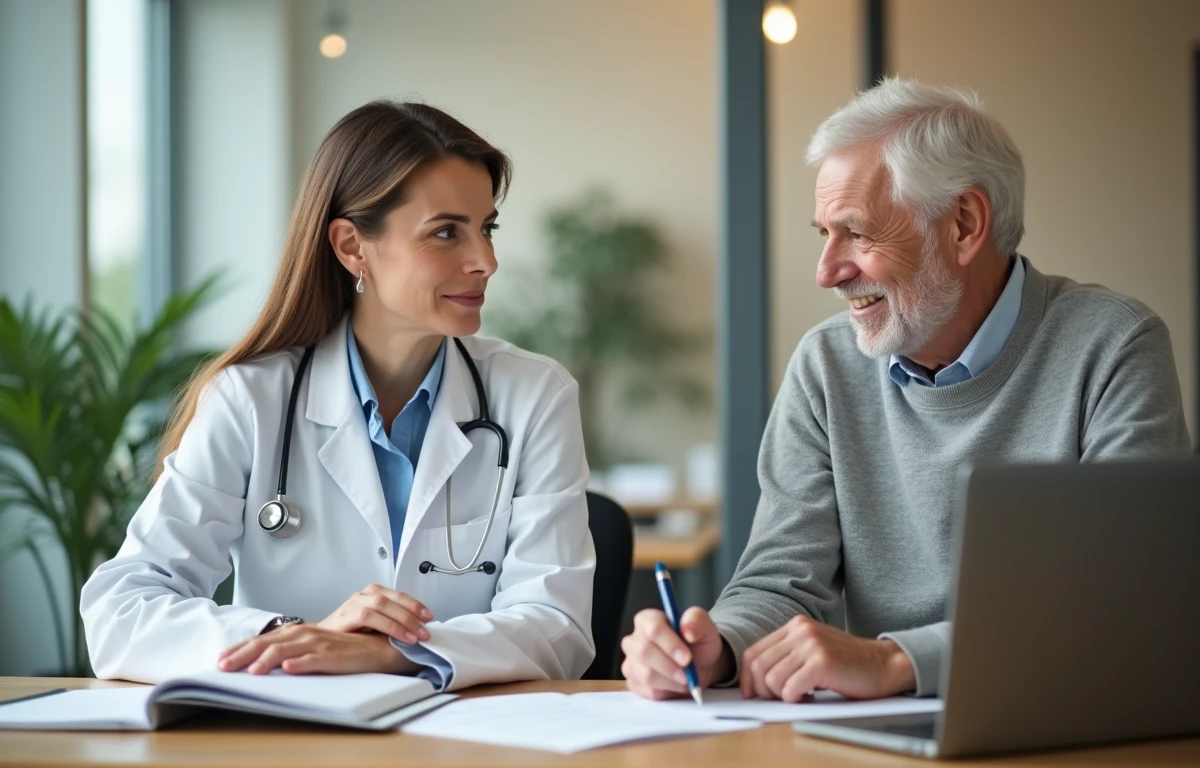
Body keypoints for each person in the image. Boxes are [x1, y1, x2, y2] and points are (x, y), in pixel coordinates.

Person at [621, 78, 1192, 703]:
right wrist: (720, 645)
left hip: (1061, 724)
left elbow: (1123, 599)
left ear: (965, 225)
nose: (827, 271)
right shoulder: (825, 365)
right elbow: (781, 582)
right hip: (883, 739)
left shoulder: (1113, 345)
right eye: (823, 233)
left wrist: (897, 661)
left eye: (857, 233)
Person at [81, 100, 596, 689]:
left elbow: (558, 625)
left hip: (468, 740)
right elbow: (120, 611)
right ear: (353, 246)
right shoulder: (251, 399)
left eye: (487, 228)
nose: (486, 261)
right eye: (446, 232)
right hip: (298, 737)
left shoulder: (533, 396)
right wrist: (294, 638)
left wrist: (393, 653)